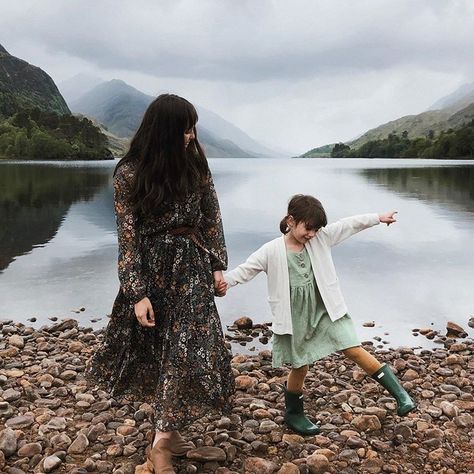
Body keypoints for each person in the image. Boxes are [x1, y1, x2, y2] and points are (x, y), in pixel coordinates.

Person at [85, 94, 234, 473]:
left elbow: (211, 218)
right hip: (153, 270)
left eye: (193, 128)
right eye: (185, 129)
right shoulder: (130, 172)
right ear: (167, 131)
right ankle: (165, 437)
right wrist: (137, 293)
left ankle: (165, 440)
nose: (191, 135)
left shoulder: (196, 167)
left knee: (185, 351)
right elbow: (128, 237)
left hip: (192, 269)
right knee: (160, 352)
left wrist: (217, 266)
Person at [223, 194, 416, 435]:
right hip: (296, 317)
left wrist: (377, 218)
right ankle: (294, 414)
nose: (312, 234)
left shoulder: (321, 239)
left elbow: (348, 225)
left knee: (353, 347)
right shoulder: (271, 250)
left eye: (316, 230)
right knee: (300, 366)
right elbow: (246, 270)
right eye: (308, 229)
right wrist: (224, 283)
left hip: (326, 309)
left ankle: (400, 394)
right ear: (291, 221)